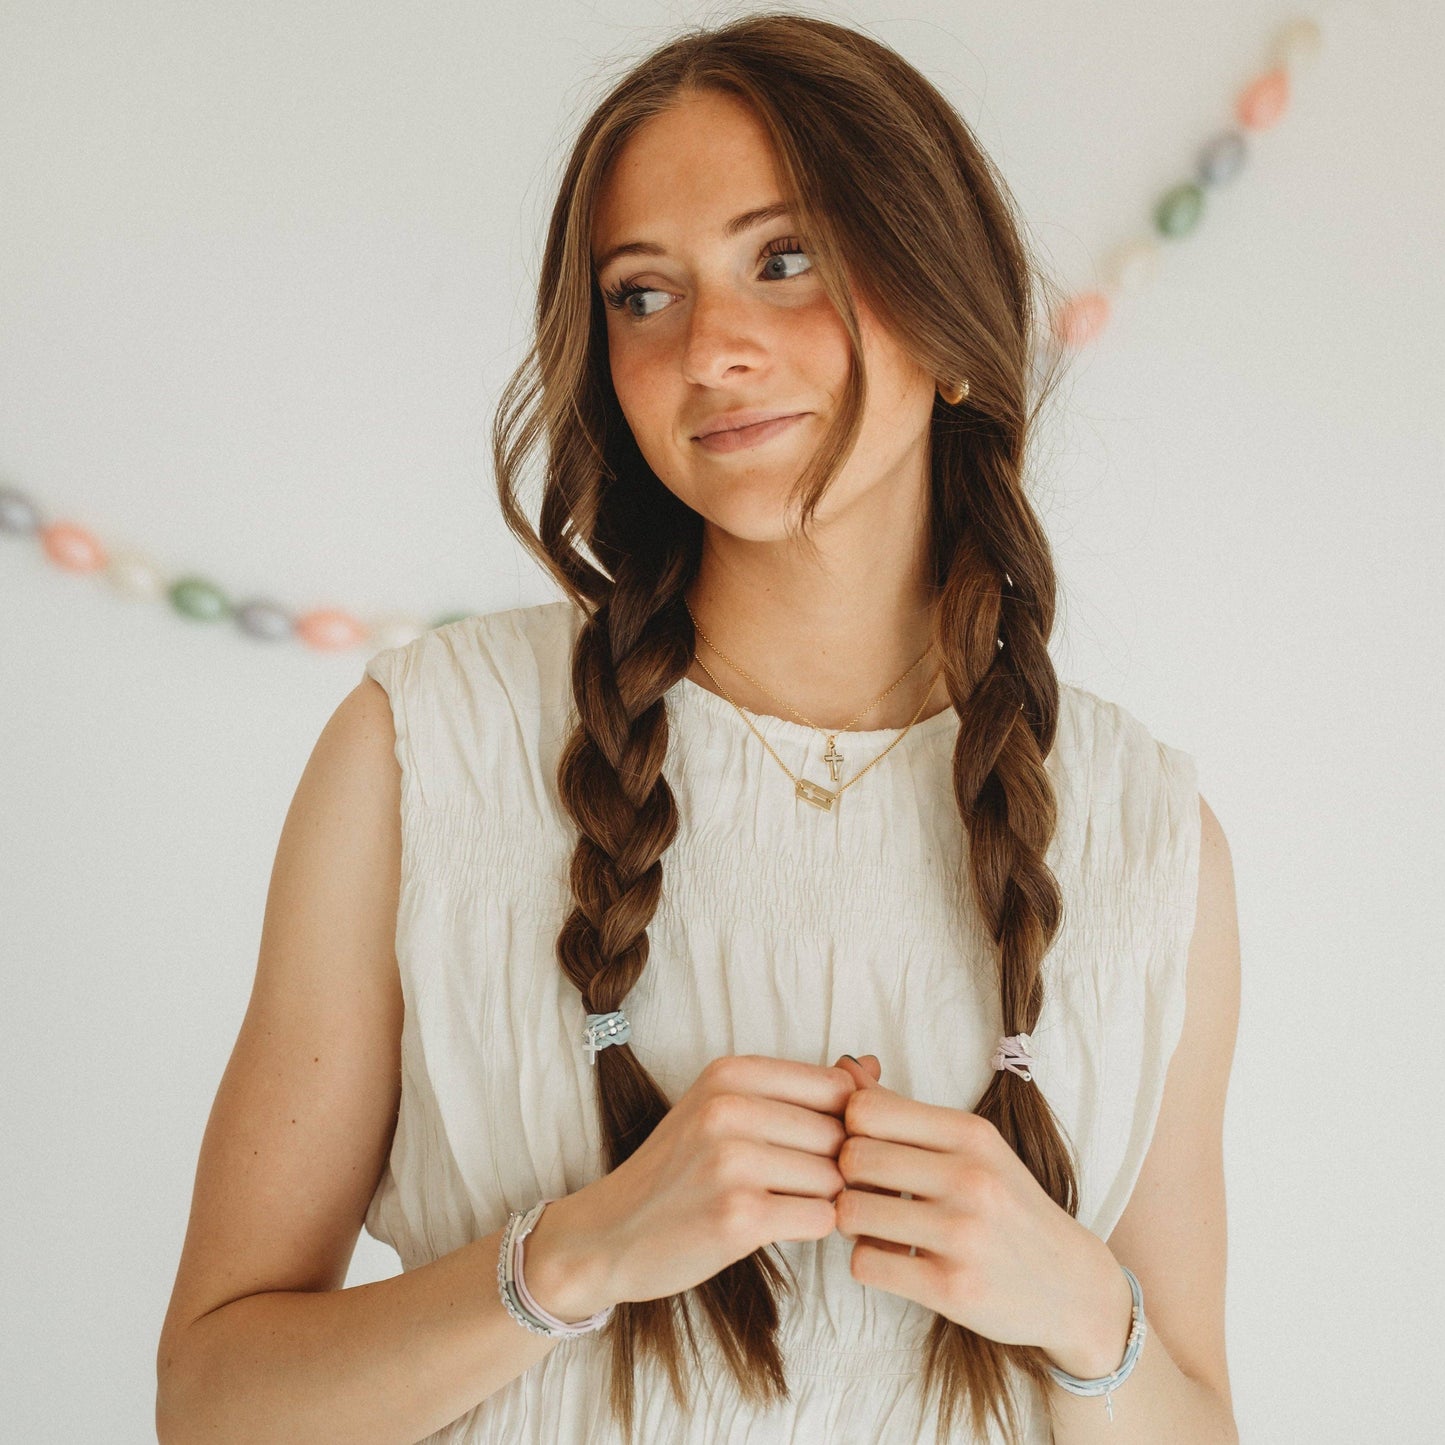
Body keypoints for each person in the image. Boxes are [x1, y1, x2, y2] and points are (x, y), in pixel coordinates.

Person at [156, 13, 1240, 1445]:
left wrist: (1084, 1313)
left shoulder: (1145, 838)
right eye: (642, 294)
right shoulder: (426, 755)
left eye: (783, 260)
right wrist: (572, 1259)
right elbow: (212, 1408)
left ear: (945, 309)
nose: (712, 350)